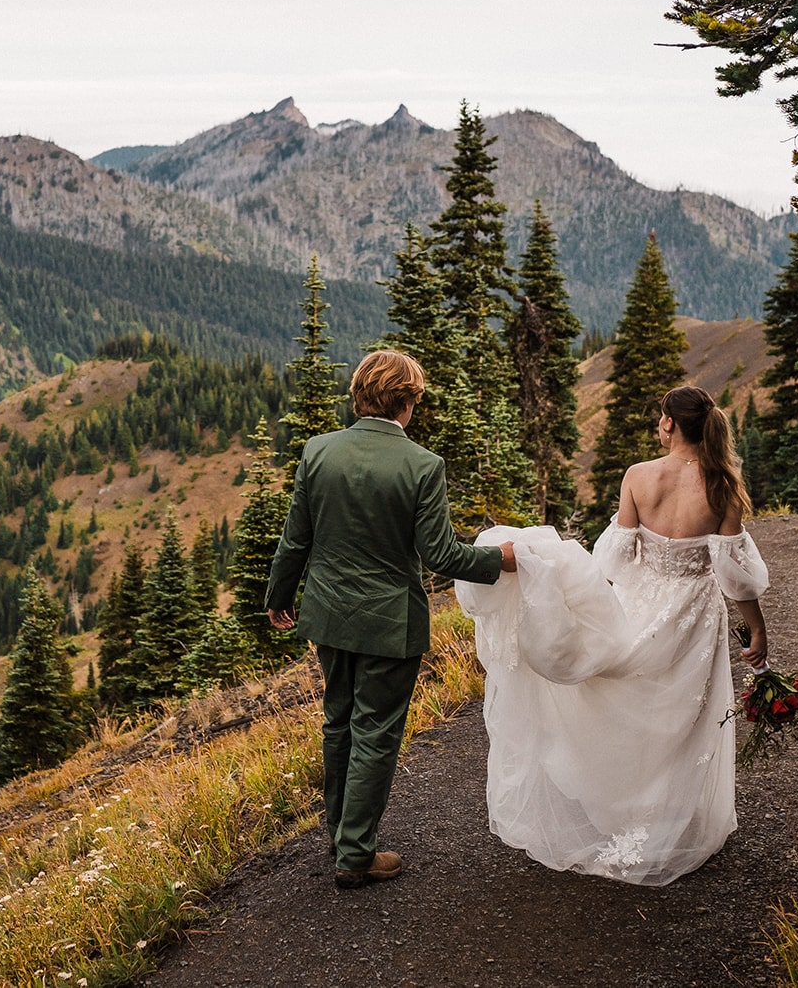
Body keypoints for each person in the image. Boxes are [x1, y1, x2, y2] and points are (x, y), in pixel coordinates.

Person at [457, 384, 770, 886]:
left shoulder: (639, 477)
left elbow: (614, 559)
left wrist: (591, 608)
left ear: (670, 424)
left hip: (640, 602)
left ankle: (625, 812)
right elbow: (732, 573)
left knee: (628, 704)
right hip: (693, 612)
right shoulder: (723, 484)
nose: (656, 426)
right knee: (685, 717)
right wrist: (755, 626)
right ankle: (669, 822)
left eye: (659, 418)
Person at [266, 349, 517, 889]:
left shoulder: (317, 452)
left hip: (329, 617)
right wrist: (501, 560)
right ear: (406, 403)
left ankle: (341, 837)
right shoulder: (422, 466)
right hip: (389, 623)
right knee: (375, 731)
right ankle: (355, 854)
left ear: (358, 395)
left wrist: (279, 594)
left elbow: (297, 539)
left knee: (337, 722)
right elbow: (443, 556)